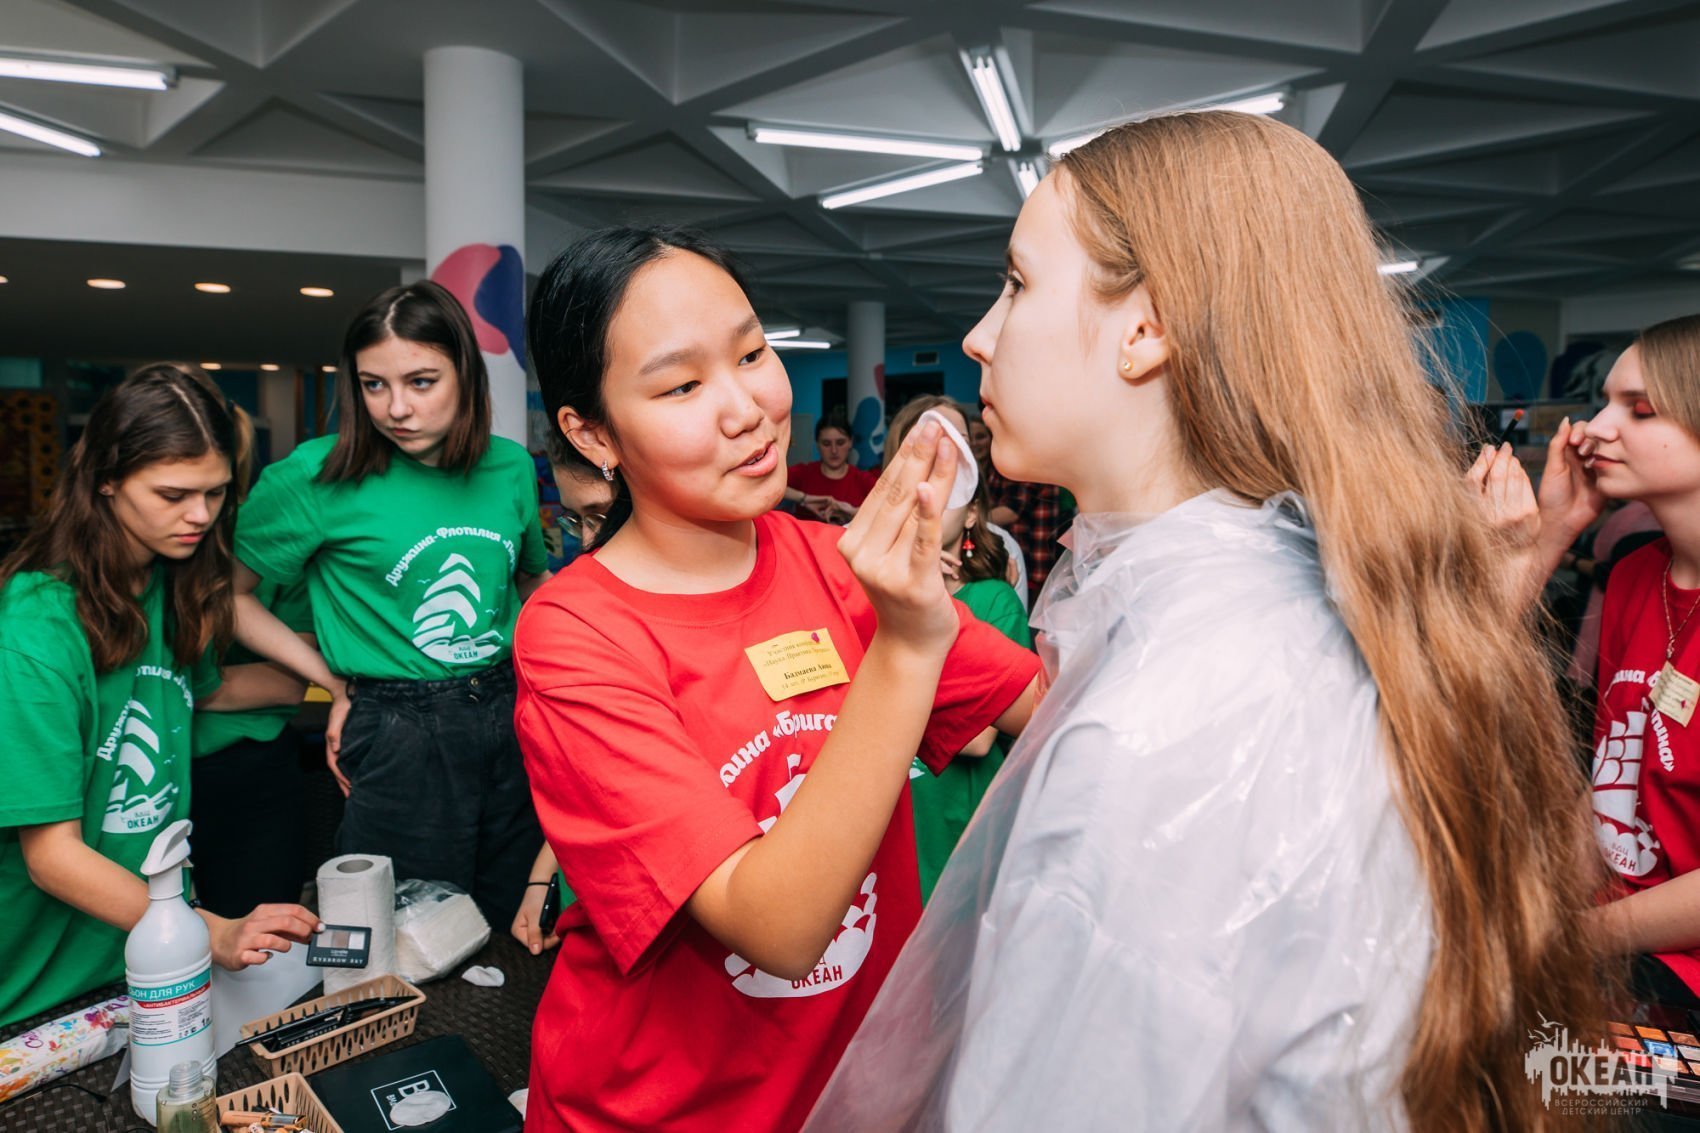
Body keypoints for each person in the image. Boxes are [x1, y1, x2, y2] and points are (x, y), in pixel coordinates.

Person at [808, 111, 1608, 1132]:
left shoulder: (1160, 729)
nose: (978, 335)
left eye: (1016, 284)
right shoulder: (1274, 606)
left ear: (1145, 329)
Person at [515, 226, 1039, 1132]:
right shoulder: (575, 632)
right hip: (666, 1113)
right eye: (681, 386)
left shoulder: (839, 562)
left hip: (857, 1097)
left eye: (753, 353)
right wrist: (907, 646)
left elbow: (1055, 711)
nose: (746, 407)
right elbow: (779, 927)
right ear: (592, 433)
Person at [0, 364, 319, 1030]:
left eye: (215, 492)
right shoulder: (35, 626)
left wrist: (348, 683)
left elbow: (195, 694)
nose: (200, 516)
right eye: (173, 494)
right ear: (106, 479)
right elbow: (52, 855)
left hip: (142, 957)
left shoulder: (165, 583)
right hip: (37, 991)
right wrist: (212, 930)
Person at [230, 281, 549, 926]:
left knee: (512, 918)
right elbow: (225, 597)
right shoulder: (315, 475)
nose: (396, 408)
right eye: (373, 385)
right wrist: (333, 683)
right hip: (398, 724)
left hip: (509, 705)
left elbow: (530, 584)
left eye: (421, 382)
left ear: (465, 374)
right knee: (402, 930)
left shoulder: (509, 466)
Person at [882, 396, 1032, 903]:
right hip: (895, 816)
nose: (926, 500)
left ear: (971, 517)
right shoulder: (876, 593)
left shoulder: (992, 599)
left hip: (954, 823)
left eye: (947, 493)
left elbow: (977, 738)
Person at [188, 380, 313, 917]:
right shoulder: (136, 553)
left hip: (246, 770)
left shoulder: (273, 544)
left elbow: (288, 680)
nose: (195, 513)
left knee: (262, 937)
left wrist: (167, 685)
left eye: (211, 491)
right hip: (147, 768)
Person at [785, 415, 875, 523]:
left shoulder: (864, 480)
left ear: (851, 442)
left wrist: (852, 513)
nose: (834, 450)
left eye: (840, 443)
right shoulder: (803, 473)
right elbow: (768, 483)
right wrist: (804, 499)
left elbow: (888, 511)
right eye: (826, 444)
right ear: (817, 445)